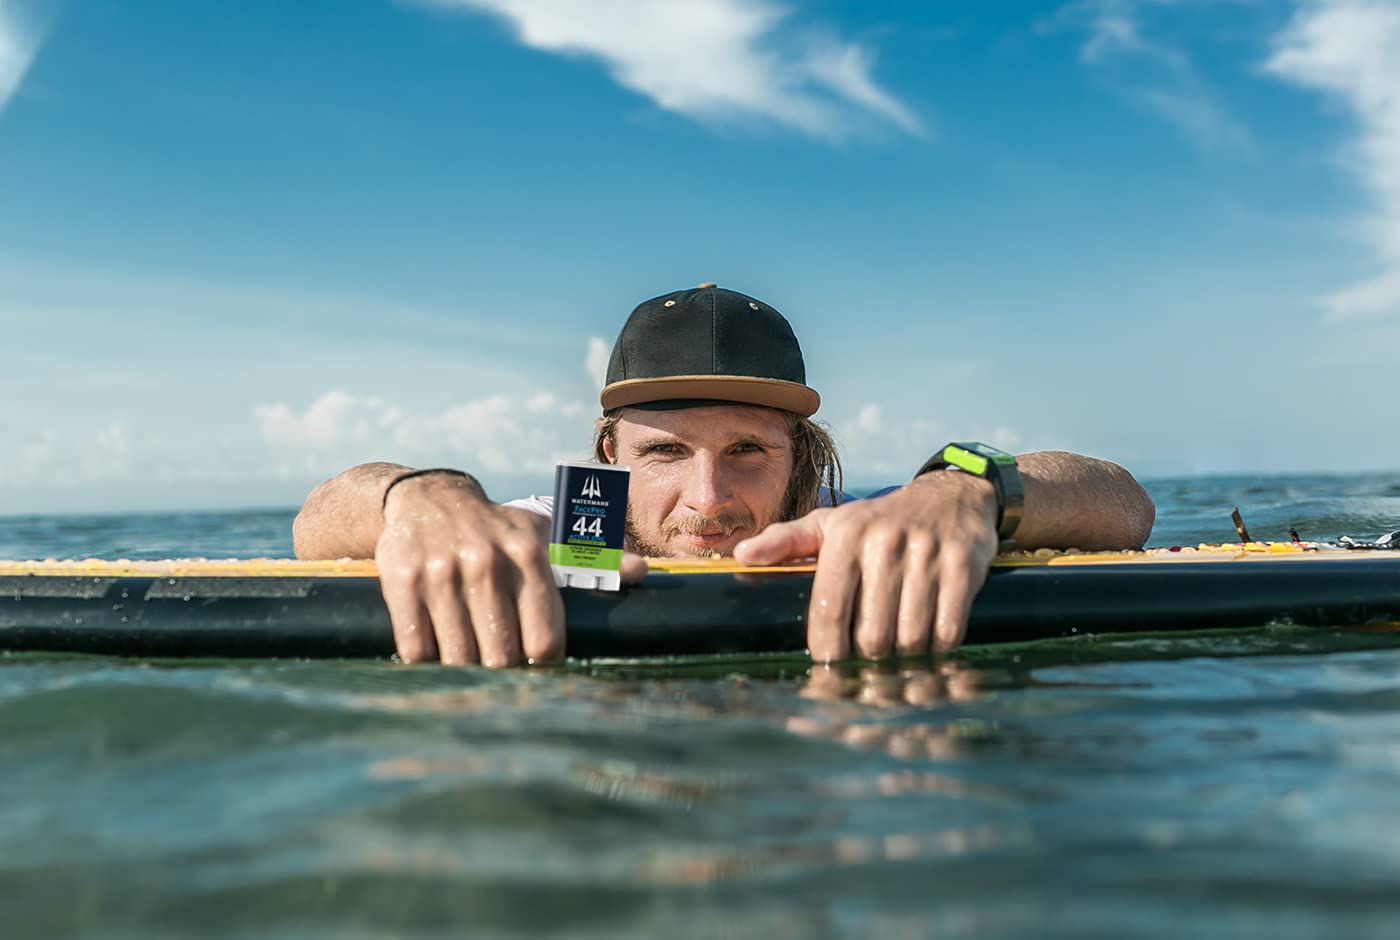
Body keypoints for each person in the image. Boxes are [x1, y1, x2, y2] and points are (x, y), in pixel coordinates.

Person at [294, 284, 1155, 667]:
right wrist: (424, 498)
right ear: (609, 460)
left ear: (801, 458)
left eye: (747, 450)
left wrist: (967, 490)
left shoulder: (850, 523)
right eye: (665, 452)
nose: (706, 502)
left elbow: (1125, 503)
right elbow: (315, 526)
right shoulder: (563, 529)